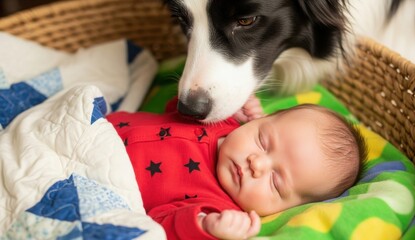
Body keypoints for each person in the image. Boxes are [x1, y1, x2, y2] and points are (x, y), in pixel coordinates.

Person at [106, 95, 367, 240]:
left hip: (93, 173)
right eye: (262, 141)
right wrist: (229, 107)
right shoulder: (222, 121)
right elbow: (172, 109)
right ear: (259, 121)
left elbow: (158, 225)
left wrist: (205, 227)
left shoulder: (215, 207)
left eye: (275, 182)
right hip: (96, 125)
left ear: (287, 209)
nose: (258, 163)